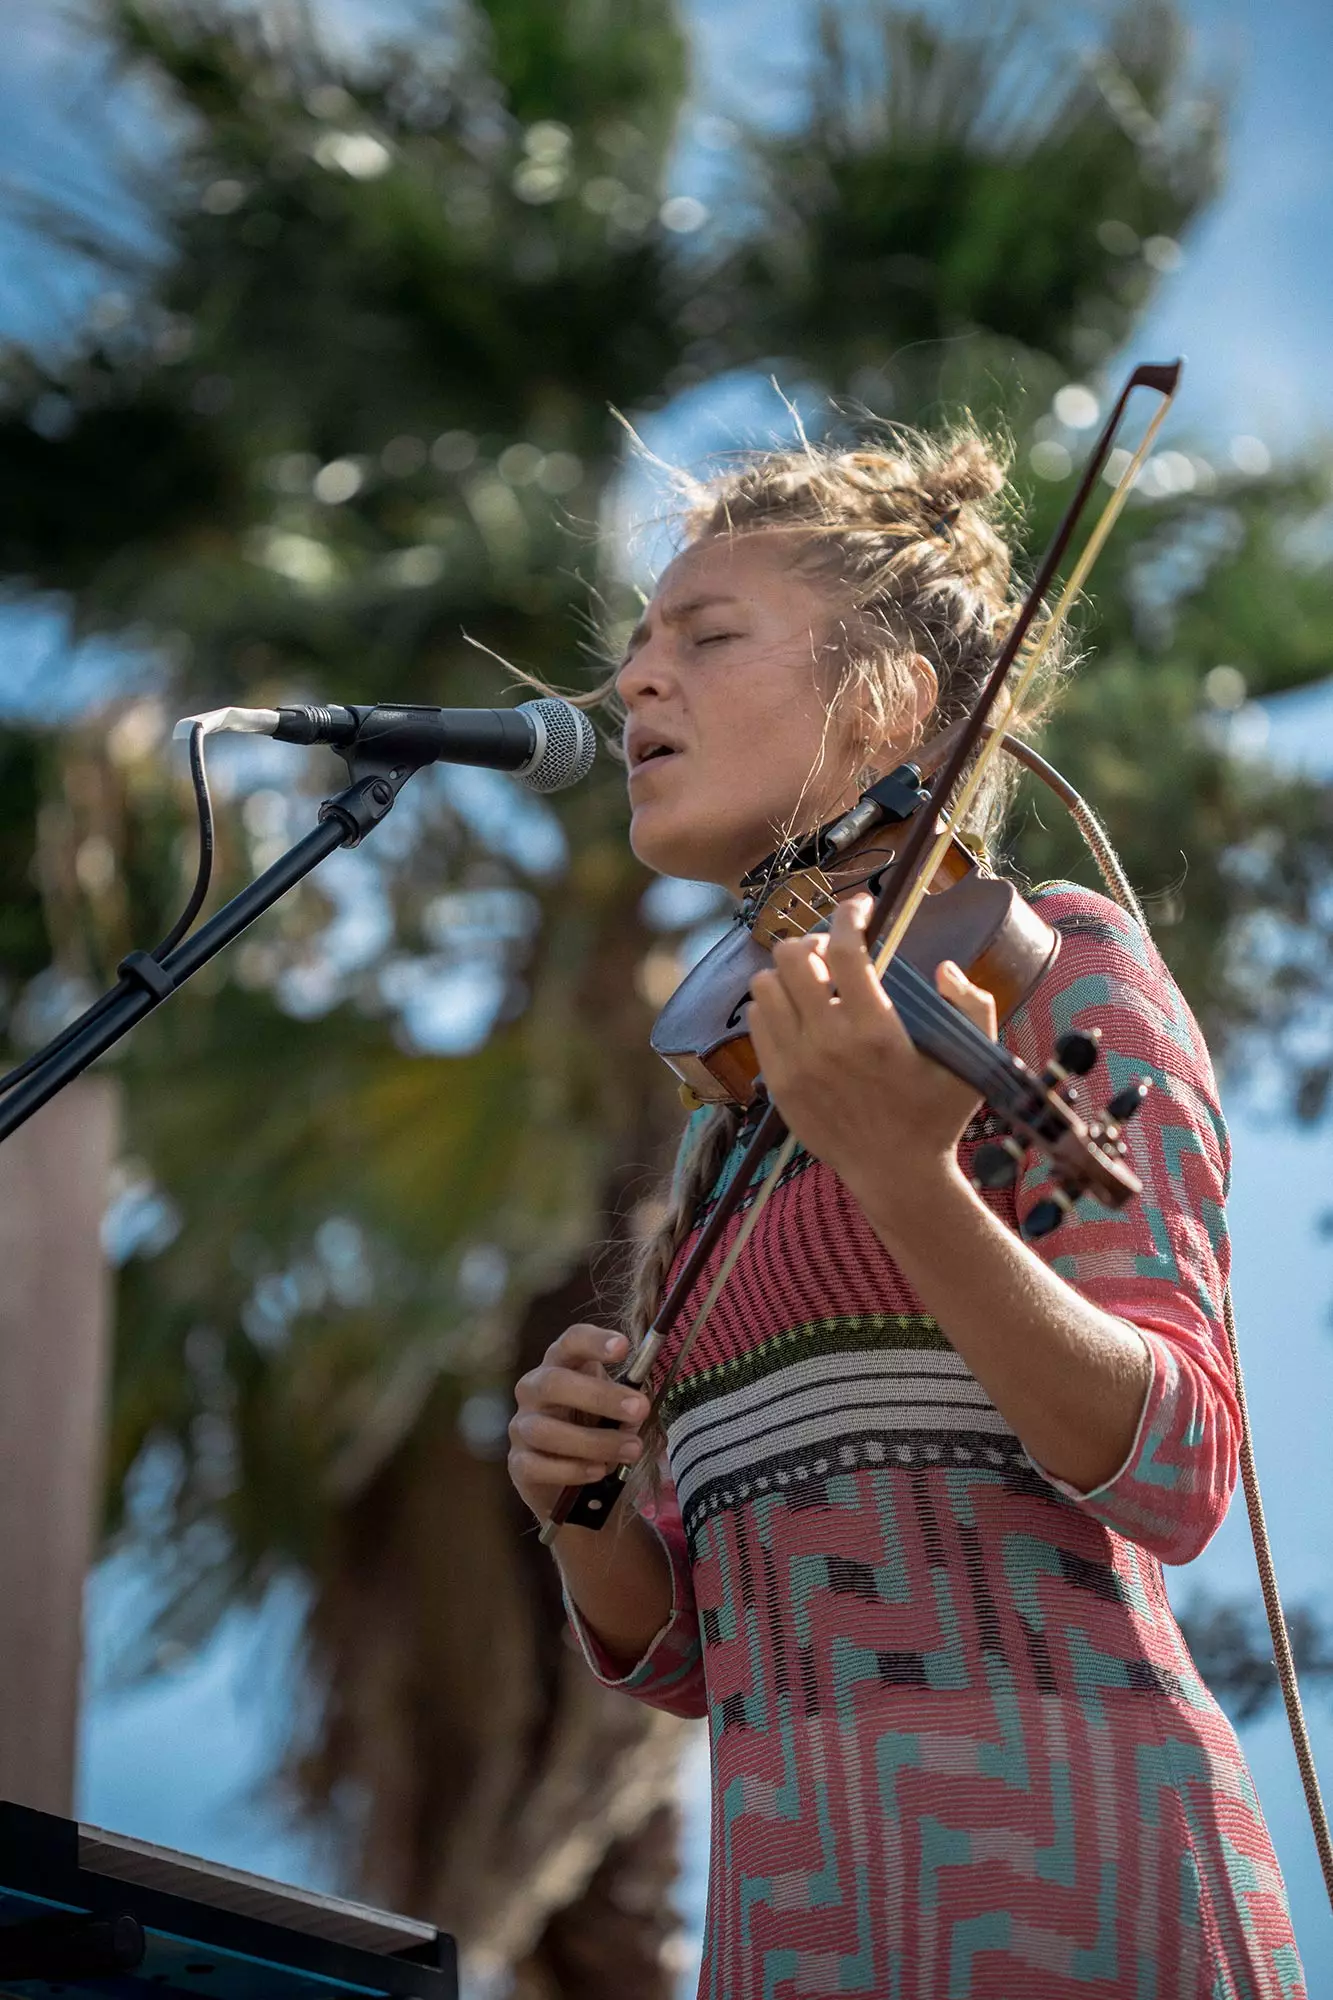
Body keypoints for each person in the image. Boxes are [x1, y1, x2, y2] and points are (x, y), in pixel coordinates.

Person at [506, 427, 1306, 1998]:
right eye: (636, 647)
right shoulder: (731, 1113)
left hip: (1087, 1887)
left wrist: (906, 1177)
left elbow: (1183, 1465)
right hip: (800, 1926)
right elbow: (696, 1653)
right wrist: (584, 1516)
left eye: (705, 636)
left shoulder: (1048, 964)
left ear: (887, 701)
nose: (634, 686)